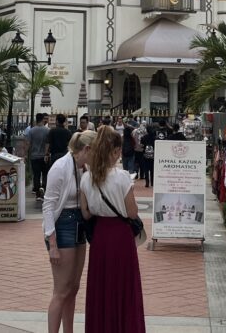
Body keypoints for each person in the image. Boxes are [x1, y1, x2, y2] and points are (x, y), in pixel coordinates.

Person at [79, 126, 144, 331]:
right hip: (121, 237)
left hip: (100, 237)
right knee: (124, 287)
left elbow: (86, 213)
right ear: (115, 152)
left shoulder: (86, 178)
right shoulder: (122, 177)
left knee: (102, 288)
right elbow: (132, 213)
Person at [43, 129, 94, 333]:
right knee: (61, 290)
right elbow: (48, 205)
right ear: (86, 149)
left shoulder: (84, 168)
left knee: (73, 287)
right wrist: (52, 244)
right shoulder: (60, 166)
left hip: (79, 223)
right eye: (95, 151)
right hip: (62, 223)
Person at [28, 113, 51, 199]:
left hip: (34, 156)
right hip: (44, 157)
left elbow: (28, 144)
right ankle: (44, 190)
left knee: (36, 175)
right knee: (45, 174)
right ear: (42, 119)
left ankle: (38, 193)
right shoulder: (47, 130)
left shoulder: (31, 131)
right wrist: (46, 154)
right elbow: (48, 143)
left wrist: (26, 155)